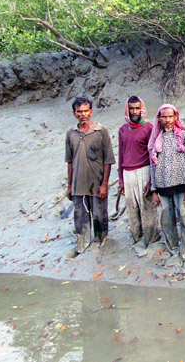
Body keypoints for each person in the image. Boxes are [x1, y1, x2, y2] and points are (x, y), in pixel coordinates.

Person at [64, 97, 115, 258]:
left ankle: (101, 241)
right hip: (78, 184)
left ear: (91, 112)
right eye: (79, 112)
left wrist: (105, 184)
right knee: (80, 216)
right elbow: (70, 161)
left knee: (99, 214)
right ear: (74, 114)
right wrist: (70, 185)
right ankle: (82, 244)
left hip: (97, 182)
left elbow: (108, 160)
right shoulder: (71, 134)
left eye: (86, 111)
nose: (83, 114)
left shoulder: (101, 131)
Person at [148, 104, 185, 269]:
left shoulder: (184, 136)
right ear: (159, 119)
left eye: (170, 116)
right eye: (164, 117)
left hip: (182, 186)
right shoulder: (155, 140)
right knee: (167, 220)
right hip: (163, 187)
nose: (167, 120)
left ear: (176, 117)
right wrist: (154, 191)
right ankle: (173, 248)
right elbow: (152, 166)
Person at [118, 96, 158, 255]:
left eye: (137, 108)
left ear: (142, 109)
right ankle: (137, 237)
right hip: (127, 173)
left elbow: (153, 155)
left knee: (146, 206)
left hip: (144, 170)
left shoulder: (149, 128)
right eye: (131, 108)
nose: (134, 112)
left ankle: (151, 238)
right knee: (131, 207)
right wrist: (121, 179)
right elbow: (121, 154)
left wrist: (151, 180)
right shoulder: (123, 129)